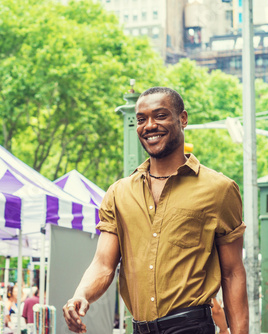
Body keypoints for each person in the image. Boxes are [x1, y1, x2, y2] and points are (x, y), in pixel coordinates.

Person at [63, 87, 249, 334]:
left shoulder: (219, 189)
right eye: (141, 119)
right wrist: (81, 295)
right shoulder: (119, 193)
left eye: (160, 116)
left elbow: (233, 273)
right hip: (138, 328)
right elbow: (103, 264)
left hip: (191, 326)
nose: (149, 125)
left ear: (182, 119)